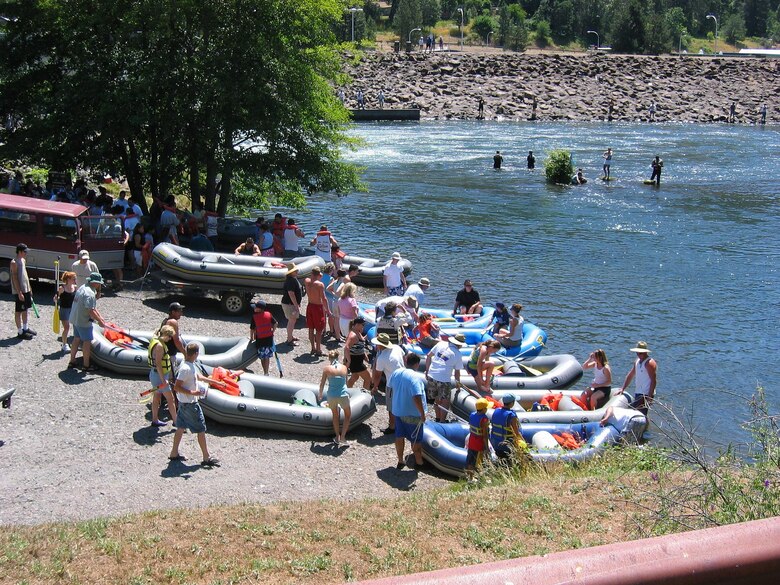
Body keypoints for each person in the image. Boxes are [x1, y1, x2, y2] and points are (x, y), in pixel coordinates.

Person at [168, 342, 225, 467]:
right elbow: (177, 387)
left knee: (181, 427)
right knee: (201, 429)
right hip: (190, 404)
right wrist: (194, 392)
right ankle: (206, 457)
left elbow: (197, 377)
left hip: (184, 404)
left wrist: (215, 382)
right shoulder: (185, 368)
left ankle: (174, 453)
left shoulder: (188, 364)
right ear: (196, 353)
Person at [389, 353, 427, 470]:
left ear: (406, 361)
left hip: (398, 411)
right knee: (416, 440)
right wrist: (422, 413)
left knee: (399, 436)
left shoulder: (396, 373)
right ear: (417, 364)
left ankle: (400, 460)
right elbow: (416, 396)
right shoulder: (415, 378)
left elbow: (389, 388)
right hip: (413, 414)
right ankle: (419, 462)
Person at [67, 272, 107, 372]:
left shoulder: (83, 287)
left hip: (75, 318)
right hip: (83, 321)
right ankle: (86, 365)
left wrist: (100, 317)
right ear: (95, 283)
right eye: (99, 283)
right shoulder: (90, 293)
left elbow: (92, 308)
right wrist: (99, 321)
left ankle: (72, 361)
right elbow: (90, 310)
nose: (99, 285)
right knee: (87, 342)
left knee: (76, 339)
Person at [425, 333, 465, 422]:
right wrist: (458, 384)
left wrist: (427, 371)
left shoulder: (440, 344)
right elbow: (457, 372)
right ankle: (442, 421)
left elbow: (428, 356)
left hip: (432, 375)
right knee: (445, 401)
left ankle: (438, 418)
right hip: (444, 379)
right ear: (459, 345)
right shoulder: (457, 354)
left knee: (436, 398)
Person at [371, 332, 405, 432]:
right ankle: (402, 423)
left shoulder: (382, 358)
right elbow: (404, 359)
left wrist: (375, 387)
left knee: (391, 406)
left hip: (392, 383)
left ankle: (392, 426)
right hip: (403, 378)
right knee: (401, 403)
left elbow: (377, 375)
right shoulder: (397, 348)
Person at [318, 349, 351, 444]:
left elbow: (322, 383)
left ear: (329, 358)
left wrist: (320, 394)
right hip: (343, 394)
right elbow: (346, 382)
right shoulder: (344, 368)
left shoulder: (326, 369)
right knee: (348, 415)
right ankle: (343, 437)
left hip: (331, 395)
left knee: (335, 415)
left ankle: (337, 436)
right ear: (338, 357)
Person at [616, 341, 657, 416]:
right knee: (639, 414)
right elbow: (631, 374)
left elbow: (653, 381)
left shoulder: (649, 363)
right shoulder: (637, 361)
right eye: (637, 353)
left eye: (640, 353)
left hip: (646, 393)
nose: (638, 354)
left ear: (645, 352)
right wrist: (623, 388)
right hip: (638, 391)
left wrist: (650, 397)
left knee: (634, 411)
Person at [148, 325, 178, 427]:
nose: (170, 339)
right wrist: (163, 380)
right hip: (159, 377)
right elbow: (159, 363)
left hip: (154, 374)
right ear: (166, 335)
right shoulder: (160, 346)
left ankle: (155, 420)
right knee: (171, 399)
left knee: (156, 397)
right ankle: (176, 422)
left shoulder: (155, 339)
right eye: (169, 337)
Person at [10, 243, 36, 340]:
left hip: (26, 289)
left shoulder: (23, 260)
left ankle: (26, 328)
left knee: (25, 309)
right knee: (19, 311)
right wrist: (19, 292)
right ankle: (20, 331)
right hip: (19, 290)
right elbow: (15, 278)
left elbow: (25, 275)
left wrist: (29, 289)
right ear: (20, 252)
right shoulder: (14, 262)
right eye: (25, 252)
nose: (26, 253)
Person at [304, 266, 330, 355]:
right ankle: (318, 349)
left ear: (311, 273)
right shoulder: (319, 284)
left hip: (310, 305)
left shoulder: (307, 281)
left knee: (311, 328)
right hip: (318, 307)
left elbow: (312, 277)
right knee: (319, 330)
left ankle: (313, 348)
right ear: (319, 274)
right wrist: (328, 310)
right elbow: (324, 299)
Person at [490, 394, 523, 461]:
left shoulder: (496, 411)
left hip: (496, 444)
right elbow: (516, 432)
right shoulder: (511, 415)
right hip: (507, 446)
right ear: (511, 403)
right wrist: (523, 441)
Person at [249, 299, 278, 376]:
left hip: (260, 340)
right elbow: (275, 323)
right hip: (269, 339)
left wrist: (251, 338)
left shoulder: (254, 317)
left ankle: (265, 371)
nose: (254, 308)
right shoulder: (268, 314)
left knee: (262, 357)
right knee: (267, 356)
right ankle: (266, 372)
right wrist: (272, 332)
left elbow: (252, 329)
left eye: (255, 307)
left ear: (259, 309)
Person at [466, 398, 491, 477]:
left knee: (470, 460)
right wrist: (487, 448)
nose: (487, 409)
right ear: (483, 409)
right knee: (478, 461)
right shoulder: (484, 419)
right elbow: (485, 435)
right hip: (479, 443)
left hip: (472, 441)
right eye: (486, 408)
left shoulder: (472, 415)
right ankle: (476, 477)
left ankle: (470, 477)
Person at [344, 317, 371, 390]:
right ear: (358, 324)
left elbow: (360, 343)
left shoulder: (357, 332)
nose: (363, 326)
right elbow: (346, 347)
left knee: (355, 377)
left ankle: (347, 391)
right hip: (355, 362)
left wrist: (364, 355)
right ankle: (365, 395)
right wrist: (348, 361)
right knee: (368, 379)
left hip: (357, 360)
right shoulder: (353, 335)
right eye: (363, 325)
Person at [281, 263, 303, 345]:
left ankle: (290, 337)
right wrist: (296, 305)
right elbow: (291, 294)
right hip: (289, 304)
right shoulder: (291, 281)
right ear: (291, 272)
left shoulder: (292, 279)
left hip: (290, 303)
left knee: (292, 321)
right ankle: (289, 339)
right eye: (295, 270)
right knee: (291, 321)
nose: (297, 271)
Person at [55, 271, 77, 350]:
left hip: (73, 309)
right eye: (73, 279)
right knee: (67, 327)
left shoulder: (75, 287)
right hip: (64, 310)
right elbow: (56, 297)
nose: (75, 280)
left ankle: (75, 342)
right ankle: (64, 344)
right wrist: (56, 299)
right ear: (68, 279)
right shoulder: (62, 288)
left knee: (76, 326)